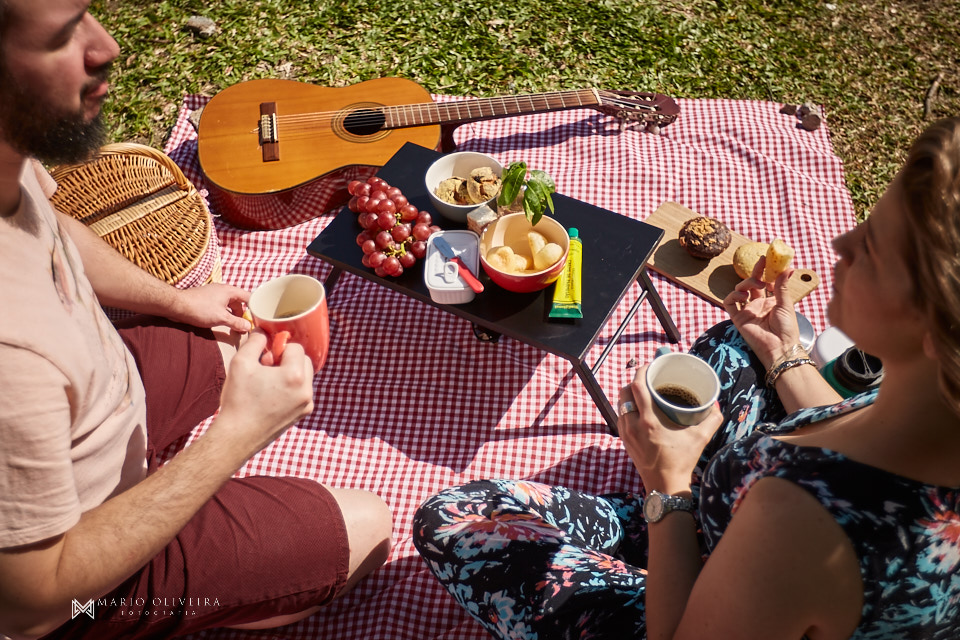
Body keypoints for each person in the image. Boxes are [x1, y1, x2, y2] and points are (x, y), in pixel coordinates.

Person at [413, 116, 960, 639]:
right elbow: (842, 419)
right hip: (740, 543)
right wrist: (783, 351)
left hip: (701, 593)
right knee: (736, 343)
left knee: (452, 521)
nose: (841, 246)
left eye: (873, 246)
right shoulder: (930, 409)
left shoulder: (801, 521)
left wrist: (665, 486)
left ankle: (646, 541)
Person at [0, 1, 392, 638]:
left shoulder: (8, 158)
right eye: (64, 36)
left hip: (97, 405)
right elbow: (31, 603)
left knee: (235, 335)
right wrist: (235, 436)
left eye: (89, 15)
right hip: (69, 595)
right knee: (369, 528)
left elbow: (57, 228)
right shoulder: (10, 359)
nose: (107, 48)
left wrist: (180, 301)